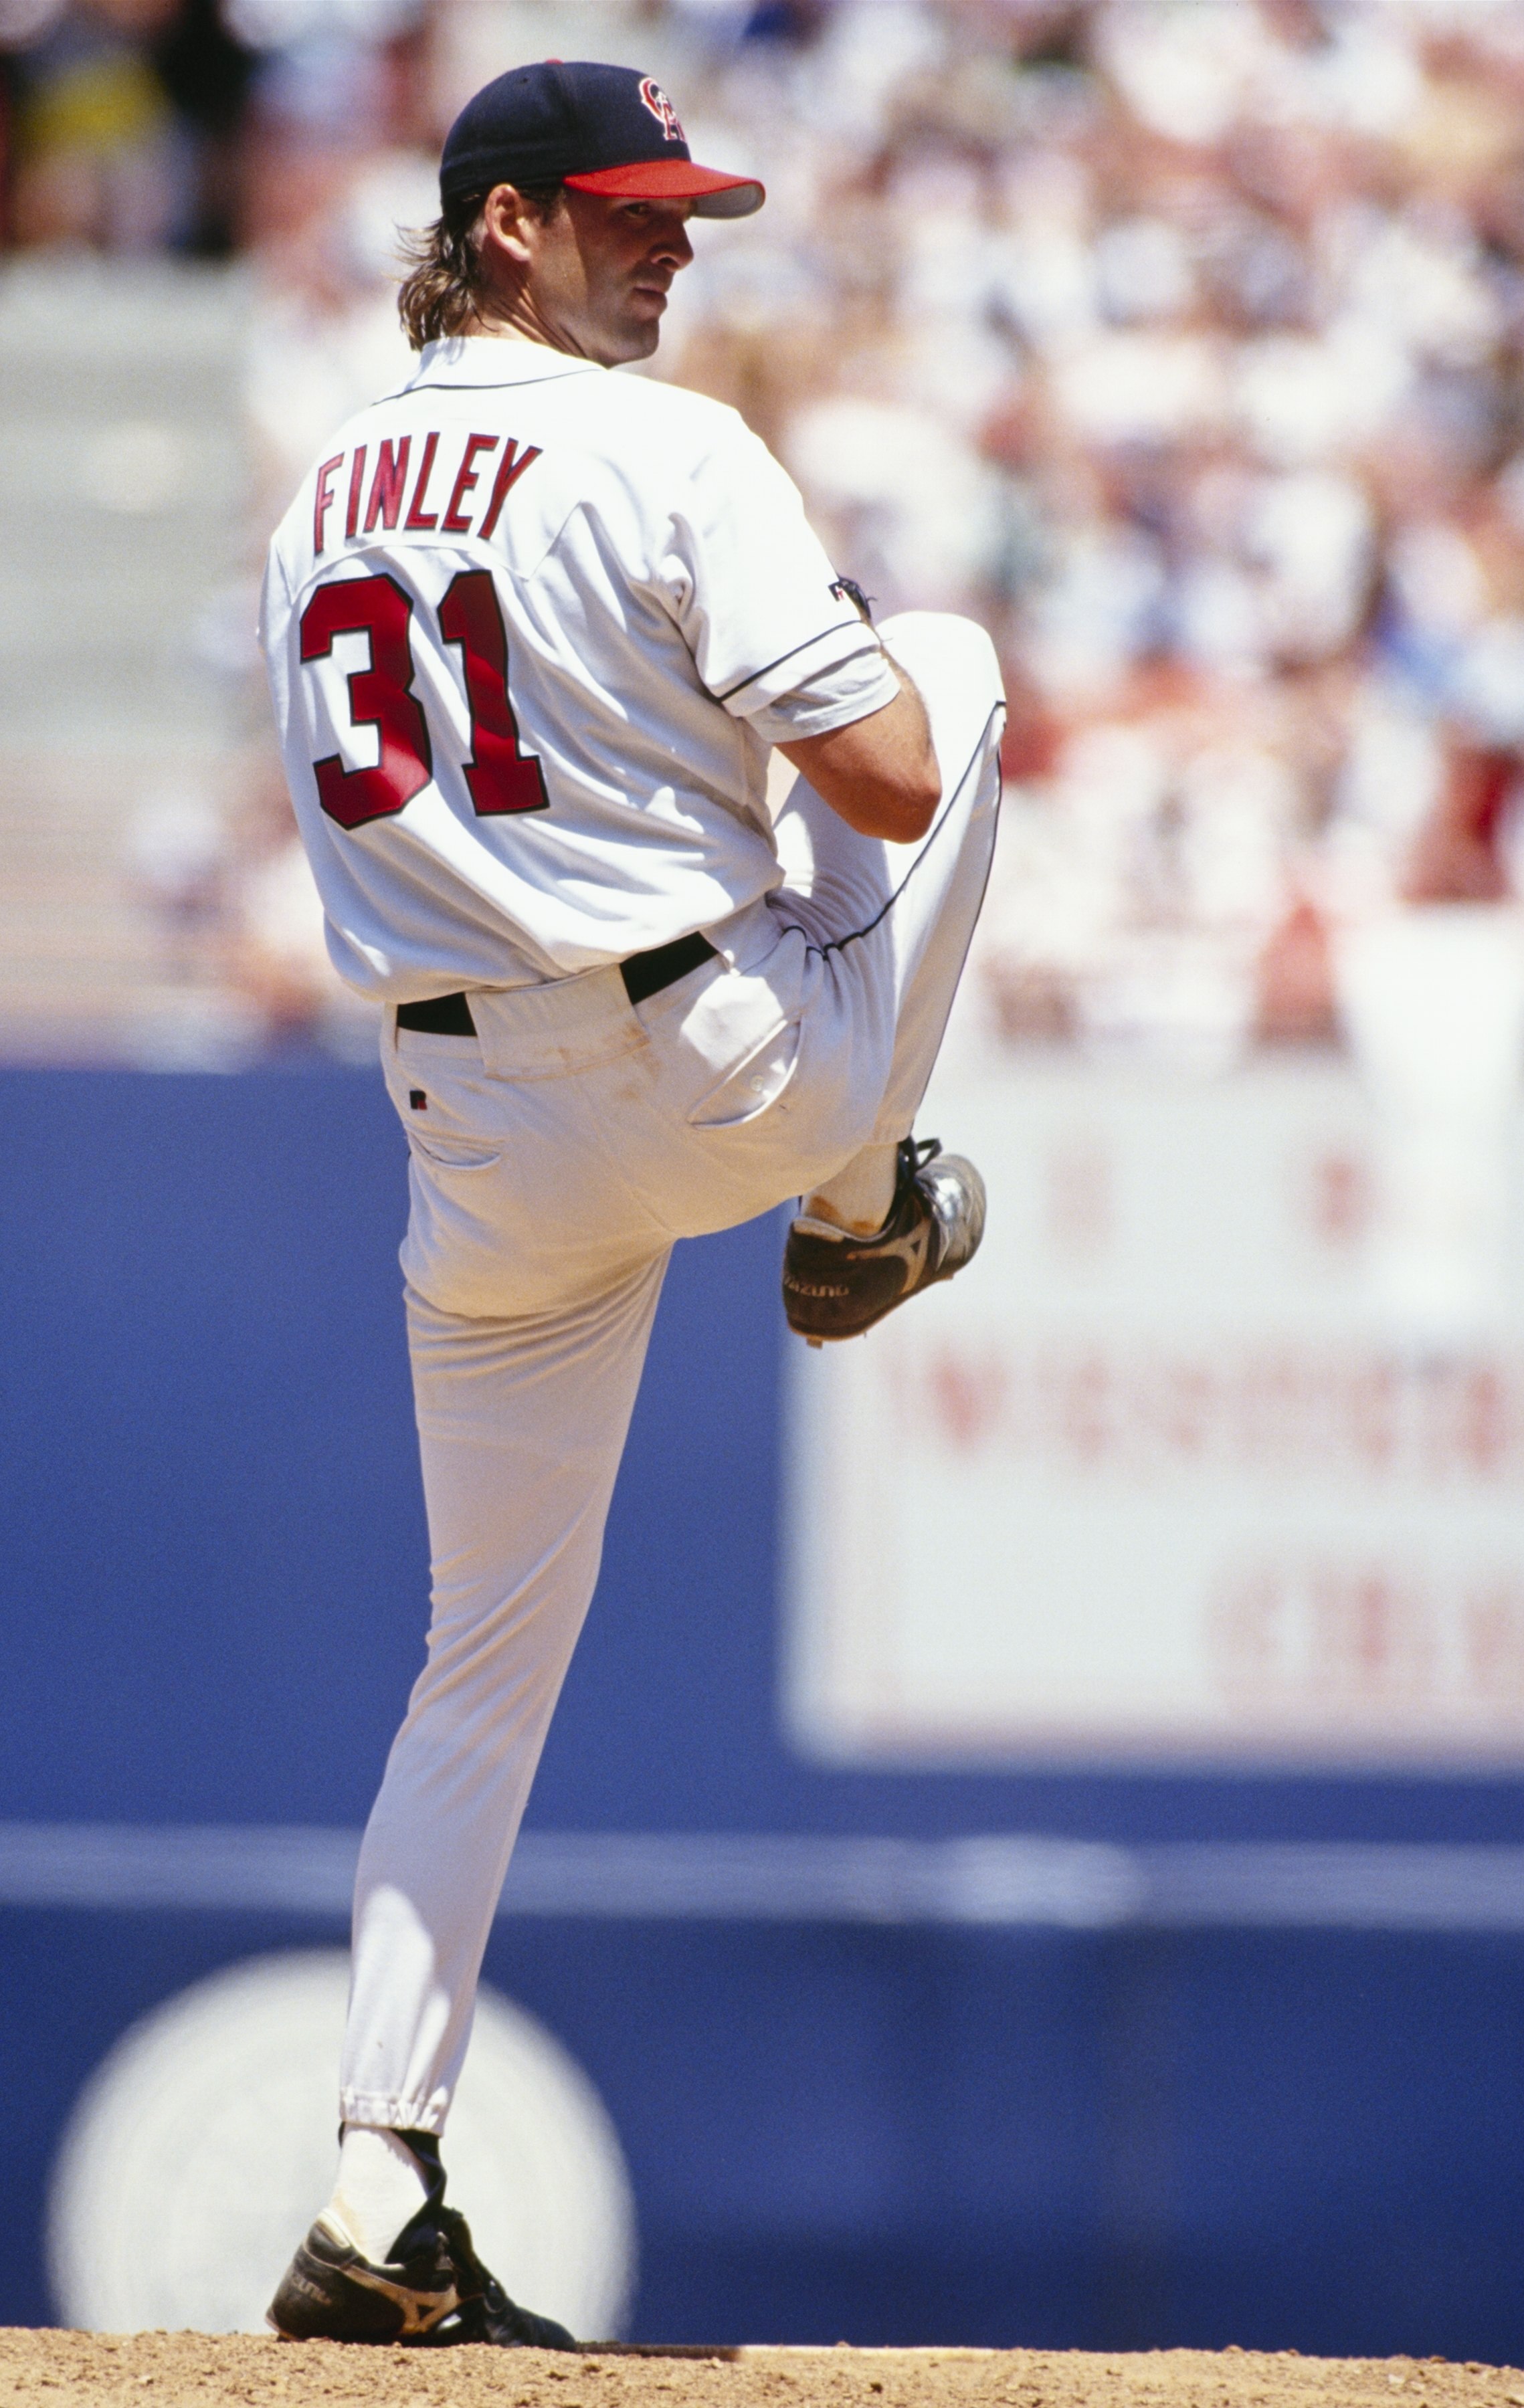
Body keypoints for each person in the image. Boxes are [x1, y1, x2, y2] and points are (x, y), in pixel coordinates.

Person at [260, 58, 1003, 2350]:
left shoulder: (317, 490)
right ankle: (866, 1201)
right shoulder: (664, 444)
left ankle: (374, 2194)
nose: (672, 244)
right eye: (626, 213)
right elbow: (881, 764)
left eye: (681, 210)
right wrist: (818, 655)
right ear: (501, 226)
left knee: (473, 1671)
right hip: (721, 1066)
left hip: (464, 1136)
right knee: (958, 674)